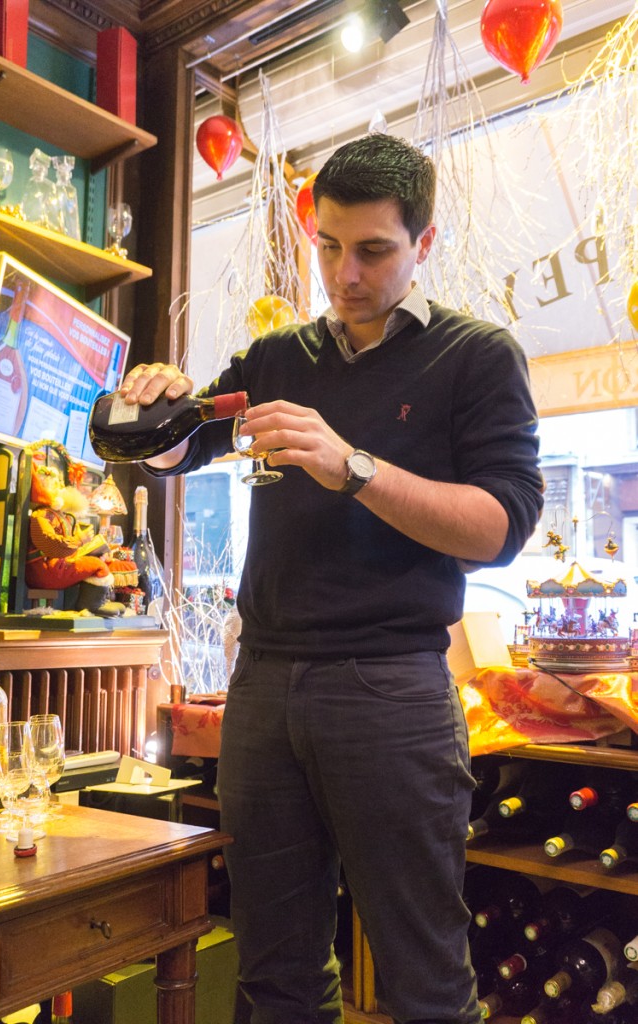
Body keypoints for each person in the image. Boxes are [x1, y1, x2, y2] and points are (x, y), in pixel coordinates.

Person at [120, 133, 544, 1024]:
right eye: (327, 246)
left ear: (422, 244)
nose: (343, 274)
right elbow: (173, 451)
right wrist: (147, 405)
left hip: (389, 688)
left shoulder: (474, 357)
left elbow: (500, 528)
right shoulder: (276, 359)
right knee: (272, 972)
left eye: (373, 250)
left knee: (423, 976)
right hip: (263, 686)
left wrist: (353, 466)